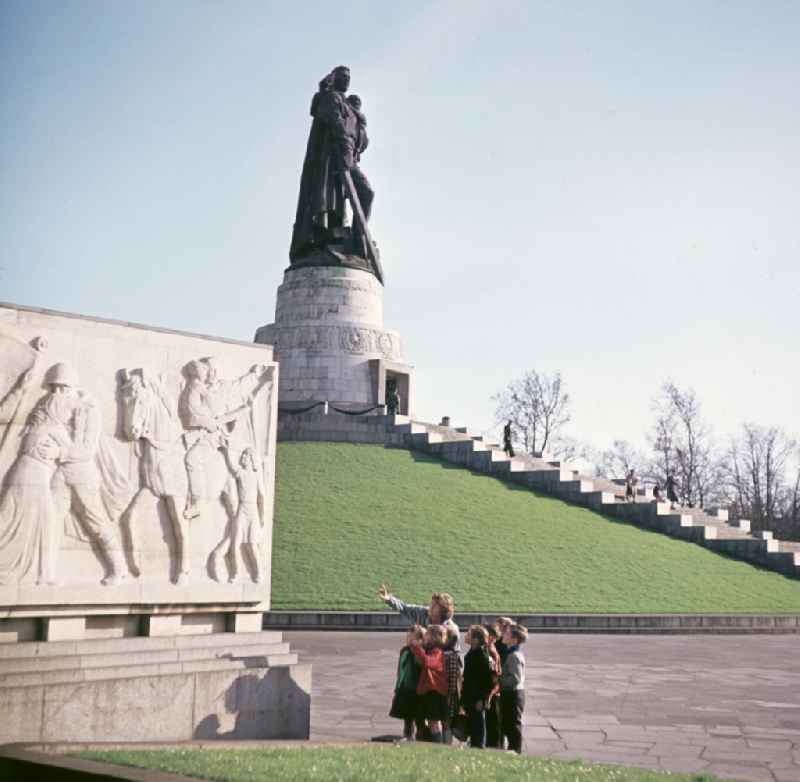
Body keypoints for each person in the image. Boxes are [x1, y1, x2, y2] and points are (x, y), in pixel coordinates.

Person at [377, 584, 460, 649]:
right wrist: (389, 599)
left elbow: (455, 656)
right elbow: (404, 608)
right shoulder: (423, 613)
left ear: (443, 610)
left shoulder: (452, 630)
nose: (430, 607)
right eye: (431, 604)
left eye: (434, 606)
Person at [411, 624, 449, 744]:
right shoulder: (430, 650)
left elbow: (428, 662)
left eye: (427, 634)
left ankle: (438, 745)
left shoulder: (437, 652)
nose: (424, 637)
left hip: (434, 691)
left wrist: (418, 648)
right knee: (429, 721)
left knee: (434, 722)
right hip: (429, 691)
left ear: (434, 637)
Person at [389, 624, 424, 740]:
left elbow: (420, 664)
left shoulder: (419, 651)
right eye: (408, 637)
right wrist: (398, 683)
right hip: (404, 687)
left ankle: (420, 736)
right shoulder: (404, 650)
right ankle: (408, 735)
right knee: (407, 717)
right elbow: (400, 669)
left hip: (415, 688)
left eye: (412, 637)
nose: (409, 639)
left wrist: (417, 649)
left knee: (418, 717)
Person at [462, 625, 495, 749]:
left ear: (476, 639)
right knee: (474, 723)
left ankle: (479, 746)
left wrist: (482, 698)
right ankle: (475, 744)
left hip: (477, 696)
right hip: (471, 694)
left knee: (478, 724)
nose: (466, 635)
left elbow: (488, 681)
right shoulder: (473, 652)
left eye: (469, 634)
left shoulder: (481, 655)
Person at [500, 623, 528, 754]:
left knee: (513, 725)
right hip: (510, 693)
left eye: (507, 633)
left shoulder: (514, 656)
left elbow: (514, 679)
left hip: (513, 694)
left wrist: (498, 680)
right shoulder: (511, 653)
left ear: (514, 639)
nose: (503, 635)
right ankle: (513, 749)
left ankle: (516, 750)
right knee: (508, 723)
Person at [483, 624, 504, 749]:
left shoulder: (490, 651)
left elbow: (494, 676)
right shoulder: (491, 648)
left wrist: (489, 696)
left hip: (492, 693)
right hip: (493, 691)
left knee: (491, 724)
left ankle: (493, 746)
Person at [442, 625, 463, 743]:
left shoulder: (452, 655)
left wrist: (448, 694)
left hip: (448, 695)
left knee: (447, 721)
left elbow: (453, 678)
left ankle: (446, 743)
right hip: (443, 693)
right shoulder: (444, 653)